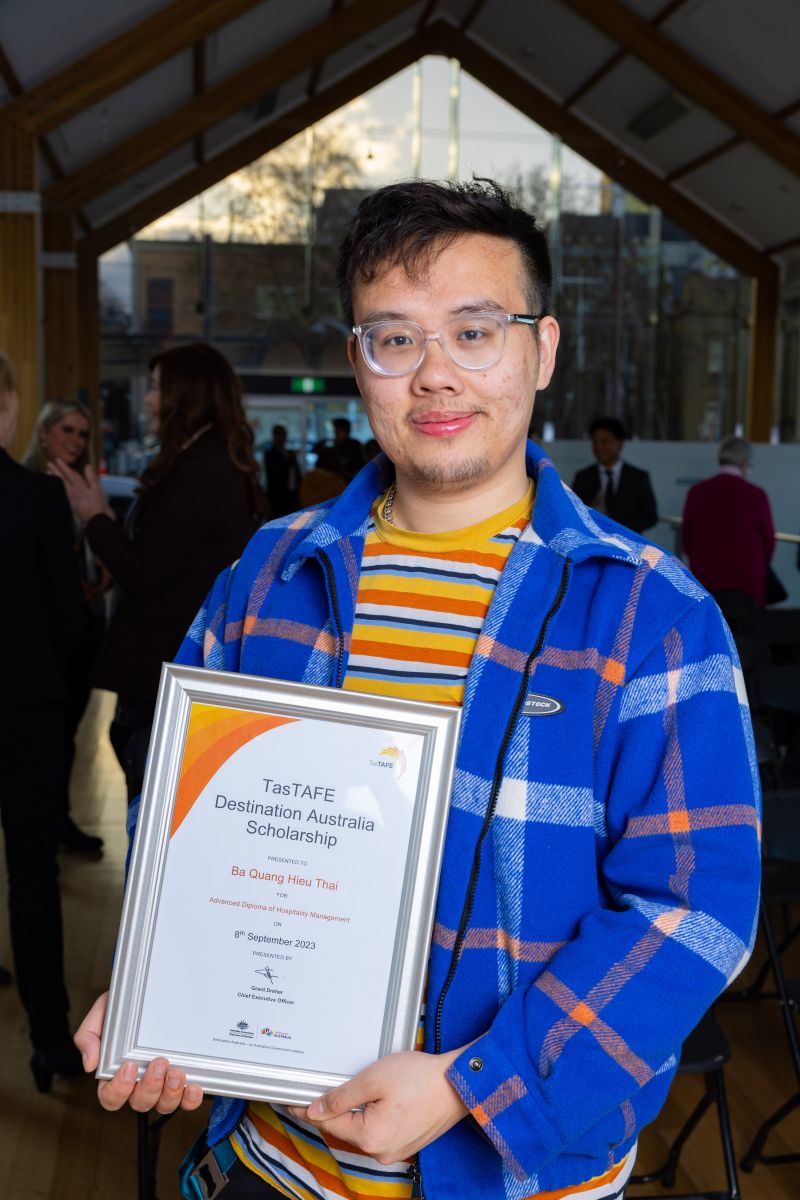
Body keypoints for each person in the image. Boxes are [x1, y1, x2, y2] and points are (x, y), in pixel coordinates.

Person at [76, 181, 760, 1200]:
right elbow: (192, 824)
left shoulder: (649, 614)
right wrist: (156, 997)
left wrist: (473, 1087)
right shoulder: (266, 575)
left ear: (542, 348)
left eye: (474, 332)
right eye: (394, 339)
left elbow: (693, 909)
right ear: (358, 361)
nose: (435, 376)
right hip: (273, 1165)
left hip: (519, 1179)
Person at [51, 343, 265, 803]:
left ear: (184, 396)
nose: (148, 400)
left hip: (165, 668)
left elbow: (143, 573)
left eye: (155, 388)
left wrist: (94, 517)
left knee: (149, 814)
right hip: (175, 667)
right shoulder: (207, 462)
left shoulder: (199, 472)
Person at [0, 354, 86, 1090]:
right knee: (33, 878)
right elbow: (69, 620)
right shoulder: (35, 499)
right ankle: (51, 1040)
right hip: (25, 708)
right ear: (6, 410)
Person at [24, 398, 107, 853]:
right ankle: (49, 821)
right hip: (46, 632)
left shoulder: (83, 481)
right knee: (49, 735)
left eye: (82, 433)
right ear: (43, 432)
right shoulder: (30, 483)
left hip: (84, 621)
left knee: (67, 732)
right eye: (67, 431)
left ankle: (55, 818)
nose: (75, 441)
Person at [681, 435, 775, 609]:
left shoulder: (697, 492)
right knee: (748, 634)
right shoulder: (756, 495)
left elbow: (687, 538)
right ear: (744, 463)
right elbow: (768, 541)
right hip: (747, 582)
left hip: (706, 577)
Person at [572, 416, 658, 533]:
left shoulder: (638, 478)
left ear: (620, 443)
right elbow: (573, 512)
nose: (598, 447)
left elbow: (650, 516)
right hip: (593, 544)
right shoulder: (583, 477)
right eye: (595, 442)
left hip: (629, 545)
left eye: (605, 441)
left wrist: (625, 528)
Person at [263, 423, 301, 518]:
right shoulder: (270, 454)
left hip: (291, 495)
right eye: (278, 435)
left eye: (282, 435)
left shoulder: (289, 453)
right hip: (277, 496)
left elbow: (296, 473)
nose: (280, 438)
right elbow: (275, 474)